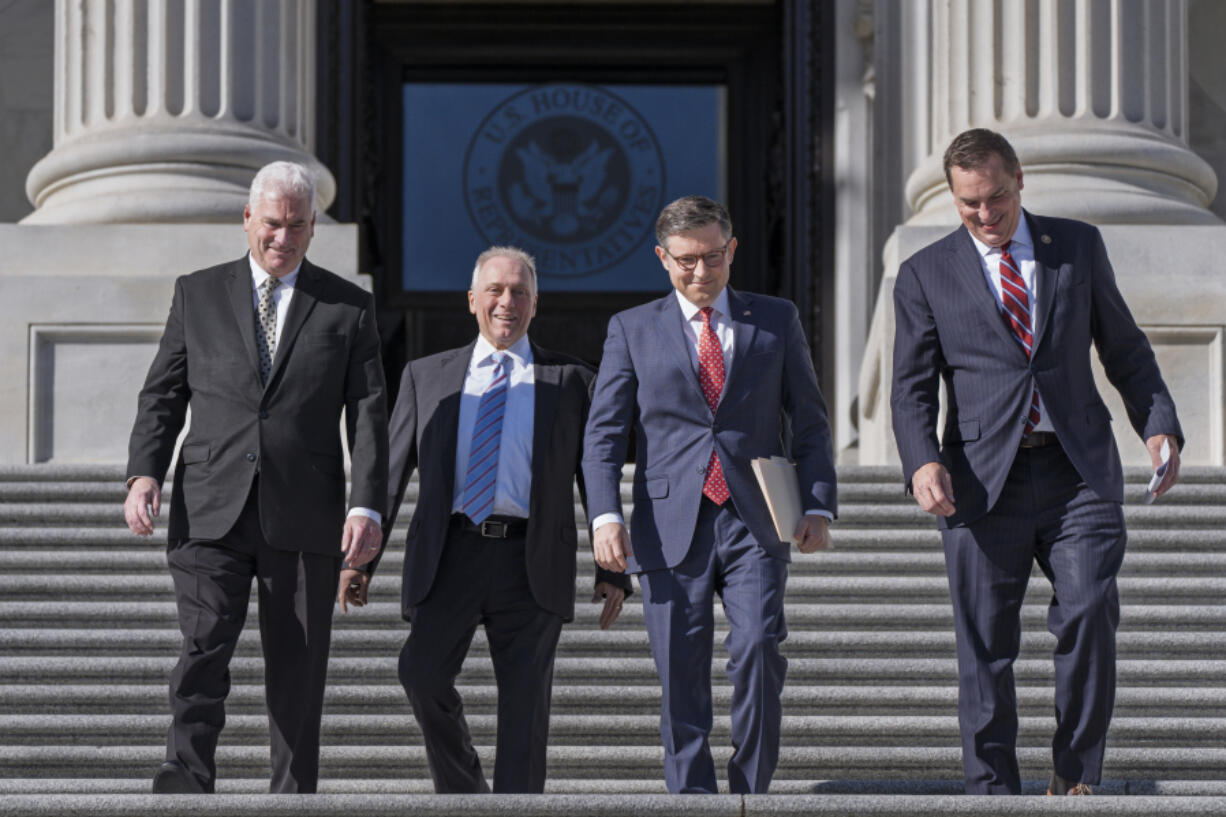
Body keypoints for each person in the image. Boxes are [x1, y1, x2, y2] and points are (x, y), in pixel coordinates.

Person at [890, 128, 1183, 796]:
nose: (986, 215)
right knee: (985, 647)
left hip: (1076, 471)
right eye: (969, 205)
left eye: (995, 197)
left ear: (1020, 178)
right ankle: (992, 790)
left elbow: (1126, 349)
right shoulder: (926, 273)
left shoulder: (1075, 247)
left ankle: (1075, 776)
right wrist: (921, 462)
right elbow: (909, 386)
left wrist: (1159, 427)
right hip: (979, 480)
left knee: (1089, 610)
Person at [122, 161, 388, 794]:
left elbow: (370, 414)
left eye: (297, 225)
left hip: (304, 512)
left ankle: (292, 795)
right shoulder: (197, 292)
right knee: (205, 642)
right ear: (248, 220)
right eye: (272, 223)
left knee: (298, 664)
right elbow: (163, 393)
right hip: (210, 504)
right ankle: (186, 775)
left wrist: (367, 506)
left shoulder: (347, 308)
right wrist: (143, 473)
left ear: (313, 227)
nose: (282, 237)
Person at [347, 246, 631, 793]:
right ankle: (467, 796)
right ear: (472, 299)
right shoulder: (424, 376)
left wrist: (613, 567)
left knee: (524, 712)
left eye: (520, 292)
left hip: (531, 560)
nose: (508, 302)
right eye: (496, 291)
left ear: (535, 303)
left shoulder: (572, 381)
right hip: (450, 552)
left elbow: (595, 473)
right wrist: (360, 560)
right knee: (421, 675)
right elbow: (389, 475)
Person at [582, 196, 837, 794]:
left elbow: (810, 419)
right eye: (687, 261)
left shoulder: (775, 318)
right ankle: (692, 799)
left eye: (714, 257)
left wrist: (818, 502)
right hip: (668, 520)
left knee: (758, 649)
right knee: (680, 670)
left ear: (732, 248)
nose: (702, 272)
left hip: (757, 516)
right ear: (662, 259)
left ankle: (751, 792)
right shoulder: (632, 328)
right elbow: (603, 435)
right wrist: (603, 517)